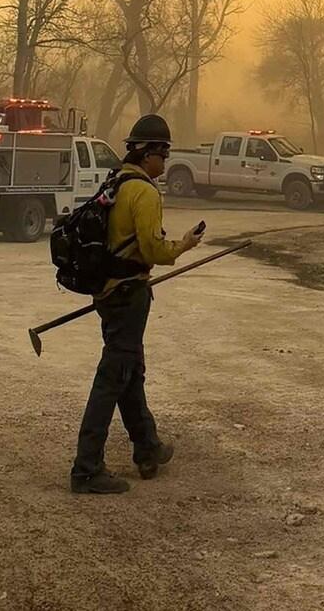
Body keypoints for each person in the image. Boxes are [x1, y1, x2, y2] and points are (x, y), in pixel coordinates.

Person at [70, 113, 202, 495]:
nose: (167, 162)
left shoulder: (117, 182)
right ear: (149, 155)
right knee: (112, 379)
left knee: (130, 372)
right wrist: (184, 245)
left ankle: (147, 448)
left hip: (109, 293)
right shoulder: (144, 192)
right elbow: (154, 250)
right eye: (164, 154)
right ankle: (86, 469)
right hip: (128, 295)